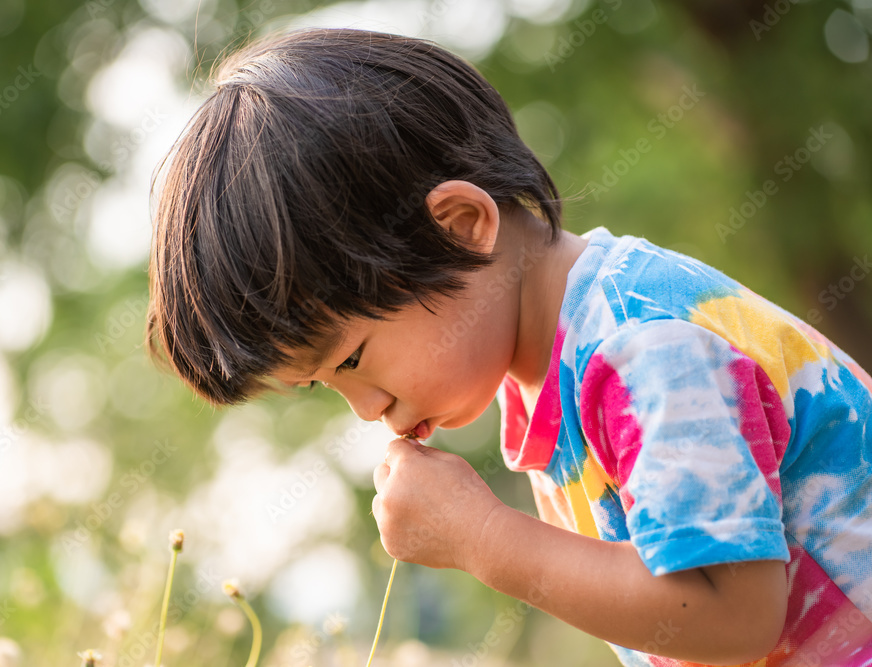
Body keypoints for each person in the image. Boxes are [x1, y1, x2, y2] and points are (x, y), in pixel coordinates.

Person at [145, 26, 872, 665]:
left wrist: (485, 539)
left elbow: (735, 613)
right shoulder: (550, 379)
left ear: (461, 225)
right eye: (320, 383)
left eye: (352, 359)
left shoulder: (642, 345)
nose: (365, 409)